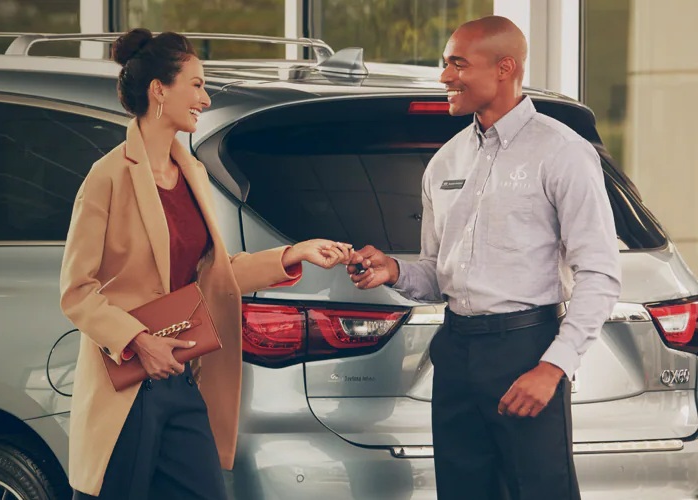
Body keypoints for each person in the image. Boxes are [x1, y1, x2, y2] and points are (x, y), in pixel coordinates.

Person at [60, 28, 353, 499]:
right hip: (129, 379)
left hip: (180, 373)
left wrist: (292, 254)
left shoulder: (191, 172)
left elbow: (214, 274)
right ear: (159, 89)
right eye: (195, 84)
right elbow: (76, 290)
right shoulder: (108, 177)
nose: (205, 96)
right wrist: (138, 342)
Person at [346, 16, 621, 500]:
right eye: (444, 63)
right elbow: (437, 273)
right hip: (456, 351)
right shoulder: (445, 161)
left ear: (504, 68)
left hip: (526, 350)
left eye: (457, 63)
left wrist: (553, 367)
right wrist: (394, 270)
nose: (444, 76)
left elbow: (599, 273)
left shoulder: (562, 153)